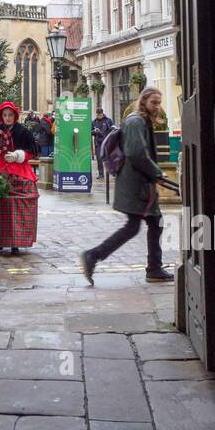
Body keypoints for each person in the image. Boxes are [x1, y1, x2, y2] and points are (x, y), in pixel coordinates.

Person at [82, 87, 174, 283]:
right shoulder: (135, 122)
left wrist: (154, 174)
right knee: (138, 226)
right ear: (144, 102)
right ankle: (93, 256)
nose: (157, 106)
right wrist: (156, 172)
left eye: (159, 102)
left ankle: (154, 268)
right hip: (135, 184)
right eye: (153, 102)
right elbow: (136, 153)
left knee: (153, 223)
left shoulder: (141, 121)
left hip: (139, 183)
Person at [0, 100, 39, 256]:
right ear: (1, 116)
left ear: (15, 116)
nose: (8, 118)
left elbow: (32, 151)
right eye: (5, 115)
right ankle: (0, 240)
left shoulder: (23, 132)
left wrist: (17, 155)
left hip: (19, 169)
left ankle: (17, 241)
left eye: (10, 115)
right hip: (1, 169)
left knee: (19, 205)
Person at [91, 106, 113, 179]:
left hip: (107, 142)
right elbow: (90, 132)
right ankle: (101, 174)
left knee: (109, 158)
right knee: (99, 158)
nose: (99, 116)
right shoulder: (94, 122)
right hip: (98, 143)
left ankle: (112, 172)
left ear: (102, 114)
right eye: (97, 115)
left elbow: (112, 130)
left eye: (100, 115)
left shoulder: (108, 121)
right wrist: (94, 132)